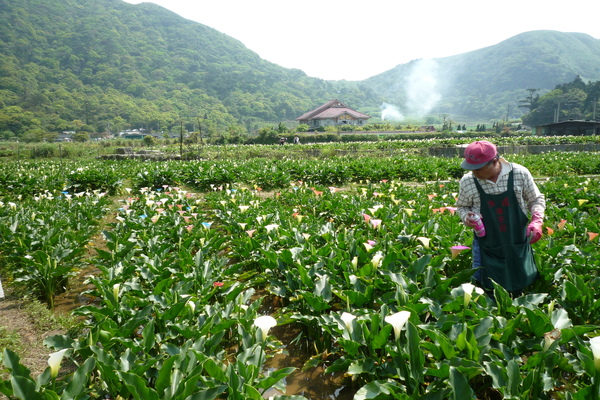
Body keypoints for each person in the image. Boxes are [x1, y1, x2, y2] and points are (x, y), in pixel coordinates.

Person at [455, 140, 545, 295]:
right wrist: (465, 217)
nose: (474, 173)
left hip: (516, 239)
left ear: (495, 161)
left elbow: (535, 199)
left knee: (520, 279)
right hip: (486, 242)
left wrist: (537, 221)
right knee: (484, 283)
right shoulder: (468, 181)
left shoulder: (519, 173)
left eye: (478, 168)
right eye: (471, 169)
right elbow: (462, 206)